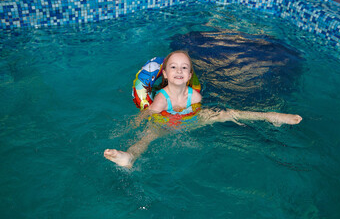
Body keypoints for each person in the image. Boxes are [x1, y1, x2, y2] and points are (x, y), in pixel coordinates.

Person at [104, 50, 302, 168]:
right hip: (165, 124)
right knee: (145, 139)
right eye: (173, 67)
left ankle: (270, 116)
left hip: (191, 120)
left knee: (228, 113)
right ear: (164, 74)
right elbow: (148, 112)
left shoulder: (195, 95)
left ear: (190, 75)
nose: (179, 71)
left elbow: (197, 108)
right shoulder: (162, 98)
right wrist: (136, 121)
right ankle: (128, 157)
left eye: (184, 68)